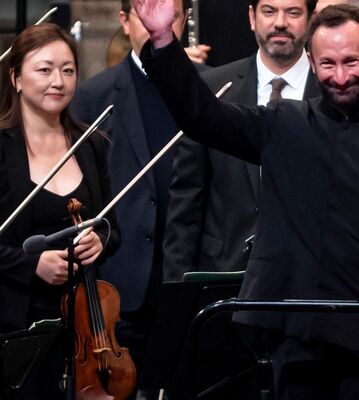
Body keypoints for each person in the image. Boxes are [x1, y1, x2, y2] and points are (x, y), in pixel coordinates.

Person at [134, 1, 359, 399]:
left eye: (351, 63)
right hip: (295, 336)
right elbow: (202, 116)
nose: (339, 77)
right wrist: (163, 40)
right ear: (311, 61)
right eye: (327, 64)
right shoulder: (284, 123)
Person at [69, 0, 204, 382]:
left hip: (190, 278)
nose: (156, 25)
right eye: (144, 18)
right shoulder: (92, 96)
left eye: (170, 15)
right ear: (125, 22)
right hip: (121, 283)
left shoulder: (209, 85)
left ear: (183, 21)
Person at [0, 23, 119, 398]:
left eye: (68, 70)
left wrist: (100, 240)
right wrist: (30, 264)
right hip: (15, 326)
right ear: (16, 78)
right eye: (45, 69)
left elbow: (112, 226)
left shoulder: (91, 143)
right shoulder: (2, 149)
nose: (58, 81)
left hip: (87, 329)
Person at [162, 0, 320, 281]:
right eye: (269, 11)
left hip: (310, 280)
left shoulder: (331, 91)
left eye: (293, 12)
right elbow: (186, 203)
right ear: (251, 17)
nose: (280, 22)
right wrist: (179, 291)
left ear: (310, 19)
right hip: (224, 275)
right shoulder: (213, 88)